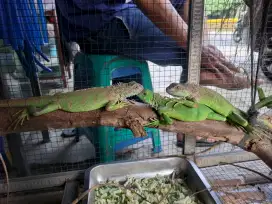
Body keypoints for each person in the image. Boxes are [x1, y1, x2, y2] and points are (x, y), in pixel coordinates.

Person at [55, 0, 262, 145]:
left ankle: (201, 76)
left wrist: (202, 44)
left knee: (192, 39)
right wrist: (199, 49)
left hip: (92, 18)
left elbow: (184, 4)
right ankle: (203, 74)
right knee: (189, 46)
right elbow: (152, 3)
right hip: (96, 21)